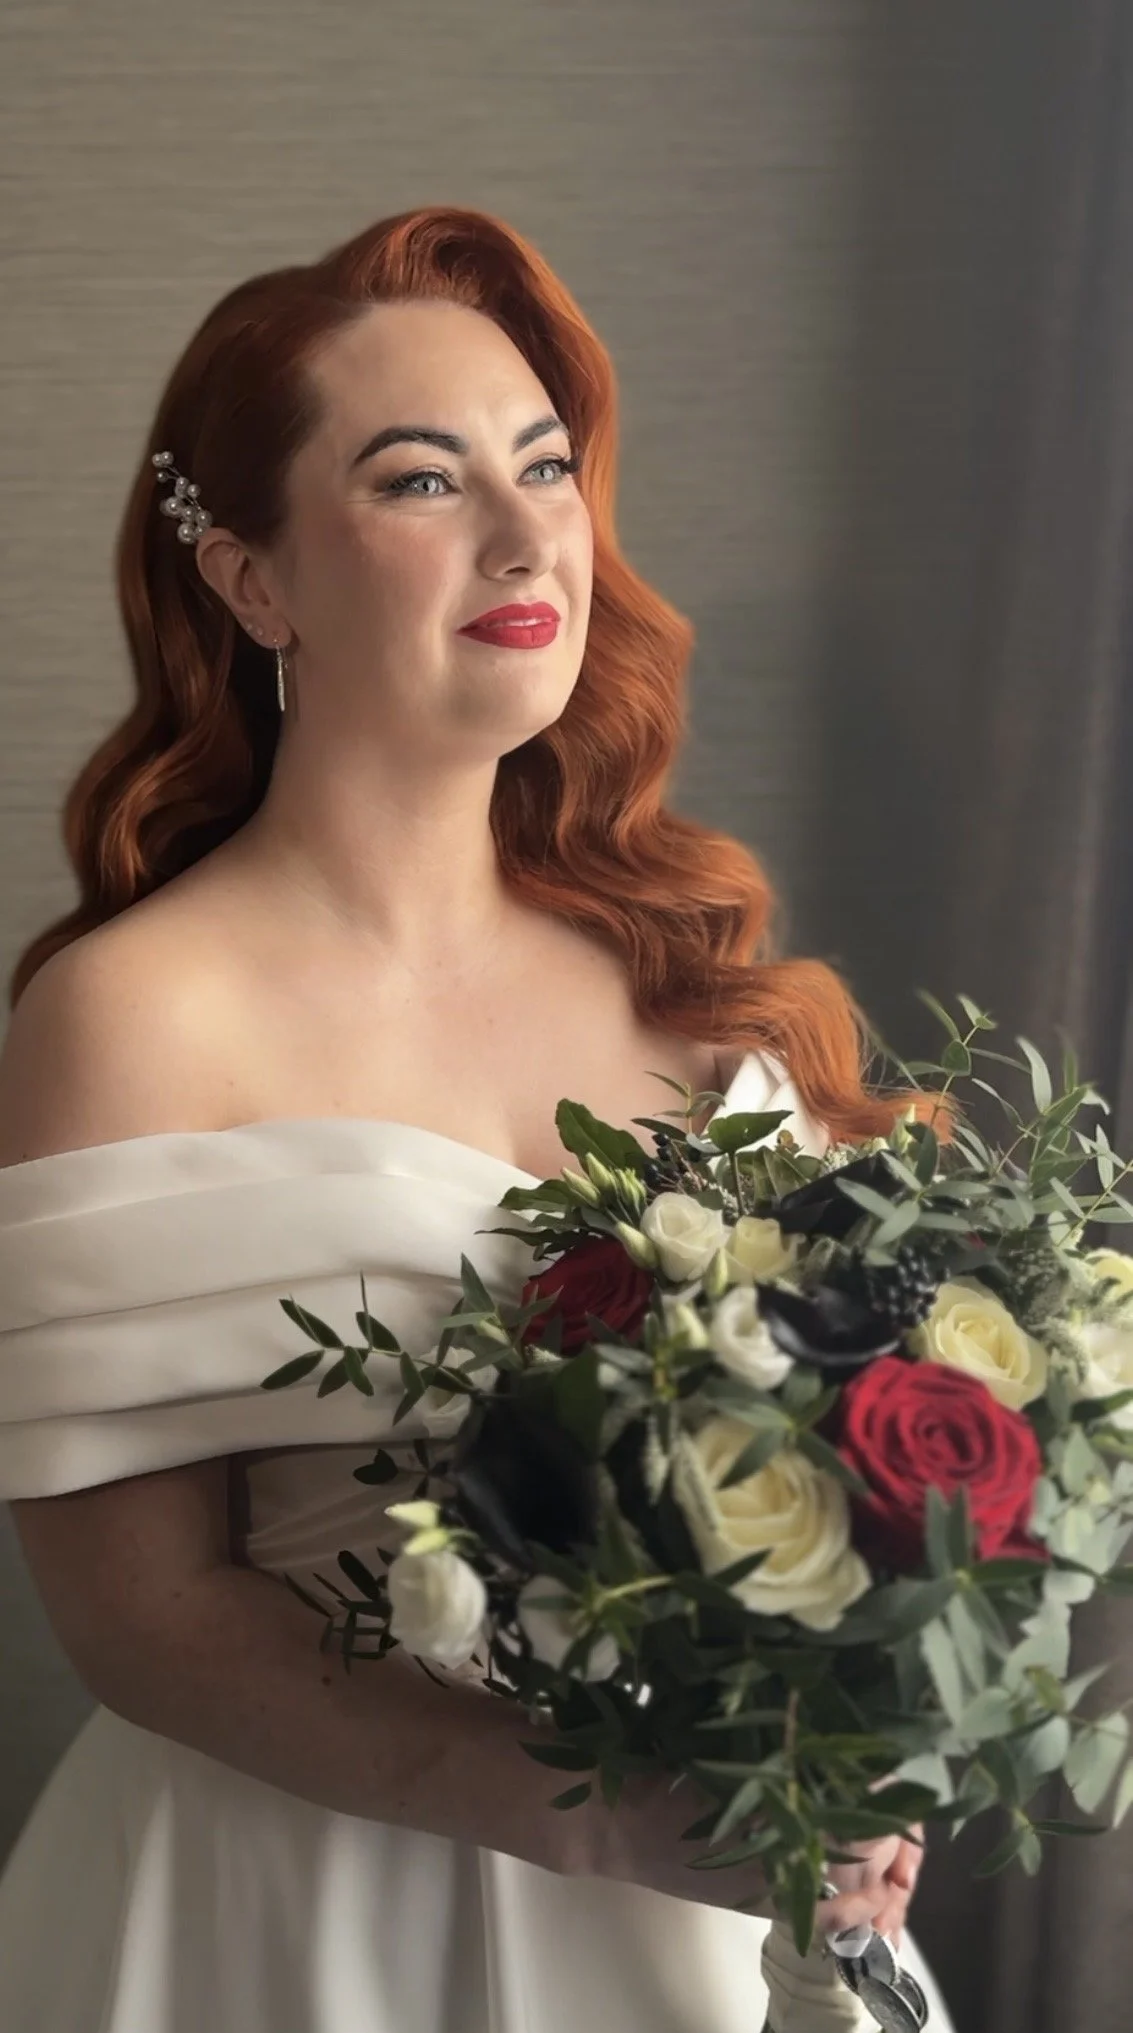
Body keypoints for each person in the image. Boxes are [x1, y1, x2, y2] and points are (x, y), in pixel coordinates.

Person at [0, 206, 956, 2032]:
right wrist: (597, 1818)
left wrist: (864, 1722)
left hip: (726, 1905)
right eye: (422, 480)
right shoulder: (132, 1018)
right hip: (296, 1924)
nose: (529, 537)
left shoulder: (684, 968)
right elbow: (143, 1622)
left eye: (546, 465)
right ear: (253, 581)